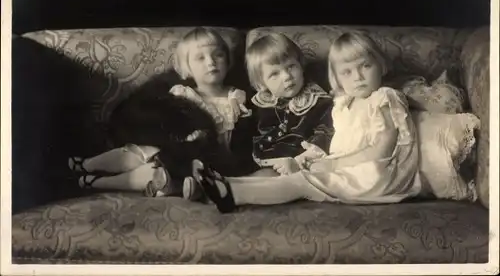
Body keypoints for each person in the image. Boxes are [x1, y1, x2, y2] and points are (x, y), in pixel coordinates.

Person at [189, 30, 423, 213]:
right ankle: (220, 186)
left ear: (381, 66)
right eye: (348, 72)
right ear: (337, 77)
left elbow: (382, 149)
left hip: (378, 174)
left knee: (300, 182)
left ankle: (229, 192)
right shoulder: (344, 103)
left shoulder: (384, 98)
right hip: (353, 169)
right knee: (296, 179)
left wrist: (330, 165)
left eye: (365, 66)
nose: (359, 77)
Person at [67, 27, 256, 197]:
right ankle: (87, 165)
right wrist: (184, 137)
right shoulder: (182, 94)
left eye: (218, 55)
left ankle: (98, 182)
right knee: (142, 152)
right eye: (201, 58)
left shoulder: (236, 96)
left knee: (157, 171)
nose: (211, 62)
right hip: (177, 149)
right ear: (187, 68)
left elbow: (241, 140)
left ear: (228, 60)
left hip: (210, 161)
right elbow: (168, 127)